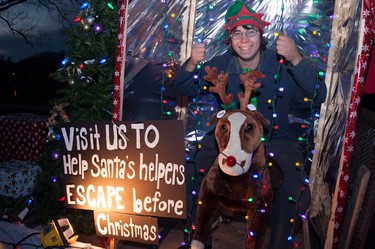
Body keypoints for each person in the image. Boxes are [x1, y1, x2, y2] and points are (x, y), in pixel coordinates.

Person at [174, 0, 327, 248]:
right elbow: (180, 87)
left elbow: (319, 95)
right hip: (228, 138)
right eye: (237, 33)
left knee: (293, 189)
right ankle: (199, 239)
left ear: (261, 33)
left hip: (275, 137)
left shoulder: (281, 63)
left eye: (250, 31)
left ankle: (277, 244)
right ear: (230, 39)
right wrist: (191, 62)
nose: (244, 39)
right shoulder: (221, 66)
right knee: (190, 170)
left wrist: (297, 58)